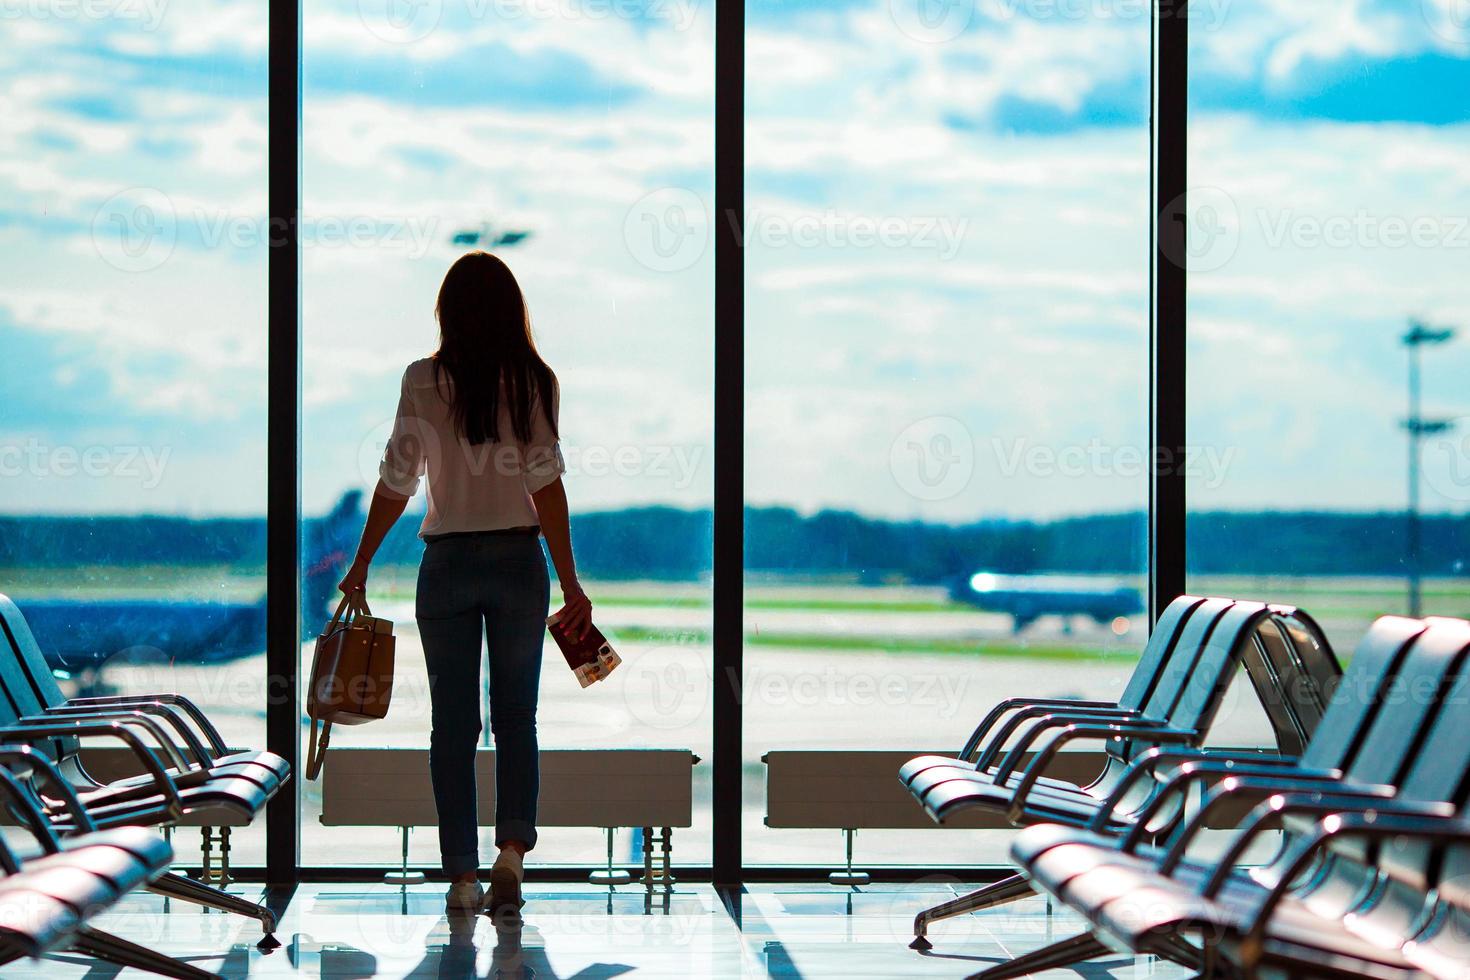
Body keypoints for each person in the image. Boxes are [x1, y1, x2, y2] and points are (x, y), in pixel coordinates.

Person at [337, 251, 593, 916]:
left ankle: (460, 875)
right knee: (517, 720)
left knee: (451, 726)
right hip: (517, 563)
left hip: (446, 566)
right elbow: (548, 487)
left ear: (446, 312)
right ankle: (511, 852)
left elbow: (398, 481)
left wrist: (362, 561)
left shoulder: (424, 380)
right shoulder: (535, 380)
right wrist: (570, 584)